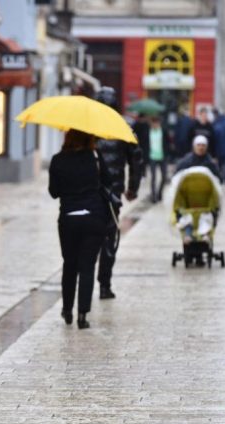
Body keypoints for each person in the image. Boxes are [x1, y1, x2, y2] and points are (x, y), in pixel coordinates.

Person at [49, 129, 112, 329]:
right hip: (94, 217)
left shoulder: (58, 160)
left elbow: (53, 192)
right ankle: (82, 315)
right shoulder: (95, 156)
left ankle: (67, 309)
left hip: (69, 218)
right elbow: (108, 182)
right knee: (87, 267)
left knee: (69, 264)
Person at [93, 87, 142, 300]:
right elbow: (136, 161)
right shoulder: (125, 126)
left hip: (90, 192)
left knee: (89, 239)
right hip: (112, 193)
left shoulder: (87, 126)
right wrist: (133, 188)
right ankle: (104, 284)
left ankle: (86, 283)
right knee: (108, 239)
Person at [147, 116, 171, 202]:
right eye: (153, 123)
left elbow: (168, 143)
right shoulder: (148, 132)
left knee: (164, 177)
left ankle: (159, 193)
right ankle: (153, 196)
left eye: (156, 123)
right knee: (153, 177)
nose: (155, 125)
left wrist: (168, 154)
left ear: (159, 123)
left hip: (163, 157)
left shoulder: (163, 131)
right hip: (152, 157)